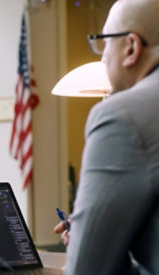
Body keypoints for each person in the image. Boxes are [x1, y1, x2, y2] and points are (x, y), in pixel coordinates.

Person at [54, 0, 159, 274]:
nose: (101, 57)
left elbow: (87, 269)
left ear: (131, 47)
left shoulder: (122, 115)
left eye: (103, 43)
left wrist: (92, 239)